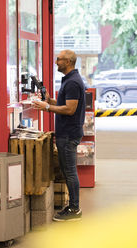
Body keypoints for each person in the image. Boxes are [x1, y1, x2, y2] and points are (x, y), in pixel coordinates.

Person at [32, 49, 86, 221]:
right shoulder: (70, 81)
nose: (56, 62)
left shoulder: (72, 83)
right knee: (67, 170)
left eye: (59, 59)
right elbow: (64, 104)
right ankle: (72, 206)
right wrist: (50, 101)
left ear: (68, 61)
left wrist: (46, 107)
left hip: (69, 134)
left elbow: (70, 109)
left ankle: (75, 209)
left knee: (70, 172)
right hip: (67, 133)